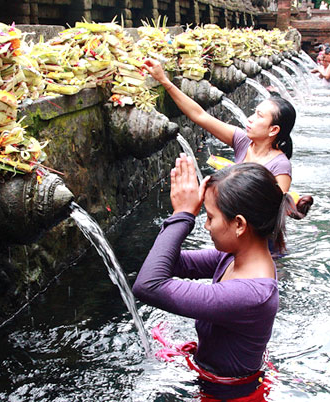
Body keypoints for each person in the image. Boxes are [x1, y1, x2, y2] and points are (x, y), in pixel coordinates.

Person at [133, 158, 292, 401]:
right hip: (213, 378)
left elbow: (148, 285)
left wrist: (183, 215)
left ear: (239, 224)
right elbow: (163, 263)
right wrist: (182, 213)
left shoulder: (252, 295)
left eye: (209, 217)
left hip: (230, 395)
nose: (206, 226)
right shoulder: (232, 256)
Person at [143, 59, 295, 194]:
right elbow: (200, 115)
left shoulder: (279, 166)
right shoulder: (243, 142)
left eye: (259, 116)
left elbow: (274, 213)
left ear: (273, 130)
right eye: (254, 113)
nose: (249, 119)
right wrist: (164, 81)